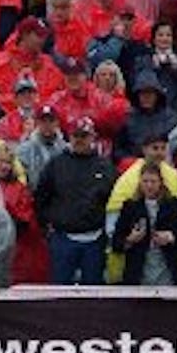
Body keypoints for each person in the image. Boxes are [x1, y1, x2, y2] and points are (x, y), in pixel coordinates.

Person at [34, 118, 117, 285]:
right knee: (59, 292)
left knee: (94, 292)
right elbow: (41, 197)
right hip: (62, 238)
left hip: (95, 240)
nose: (79, 140)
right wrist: (48, 223)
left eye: (84, 136)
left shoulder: (106, 167)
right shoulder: (55, 165)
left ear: (93, 137)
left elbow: (113, 200)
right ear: (68, 137)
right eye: (75, 135)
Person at [111, 161, 177, 285]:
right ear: (139, 183)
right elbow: (116, 243)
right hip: (138, 274)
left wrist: (171, 237)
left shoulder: (176, 205)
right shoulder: (130, 207)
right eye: (145, 181)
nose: (149, 186)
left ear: (161, 182)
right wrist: (130, 239)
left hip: (168, 273)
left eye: (153, 181)